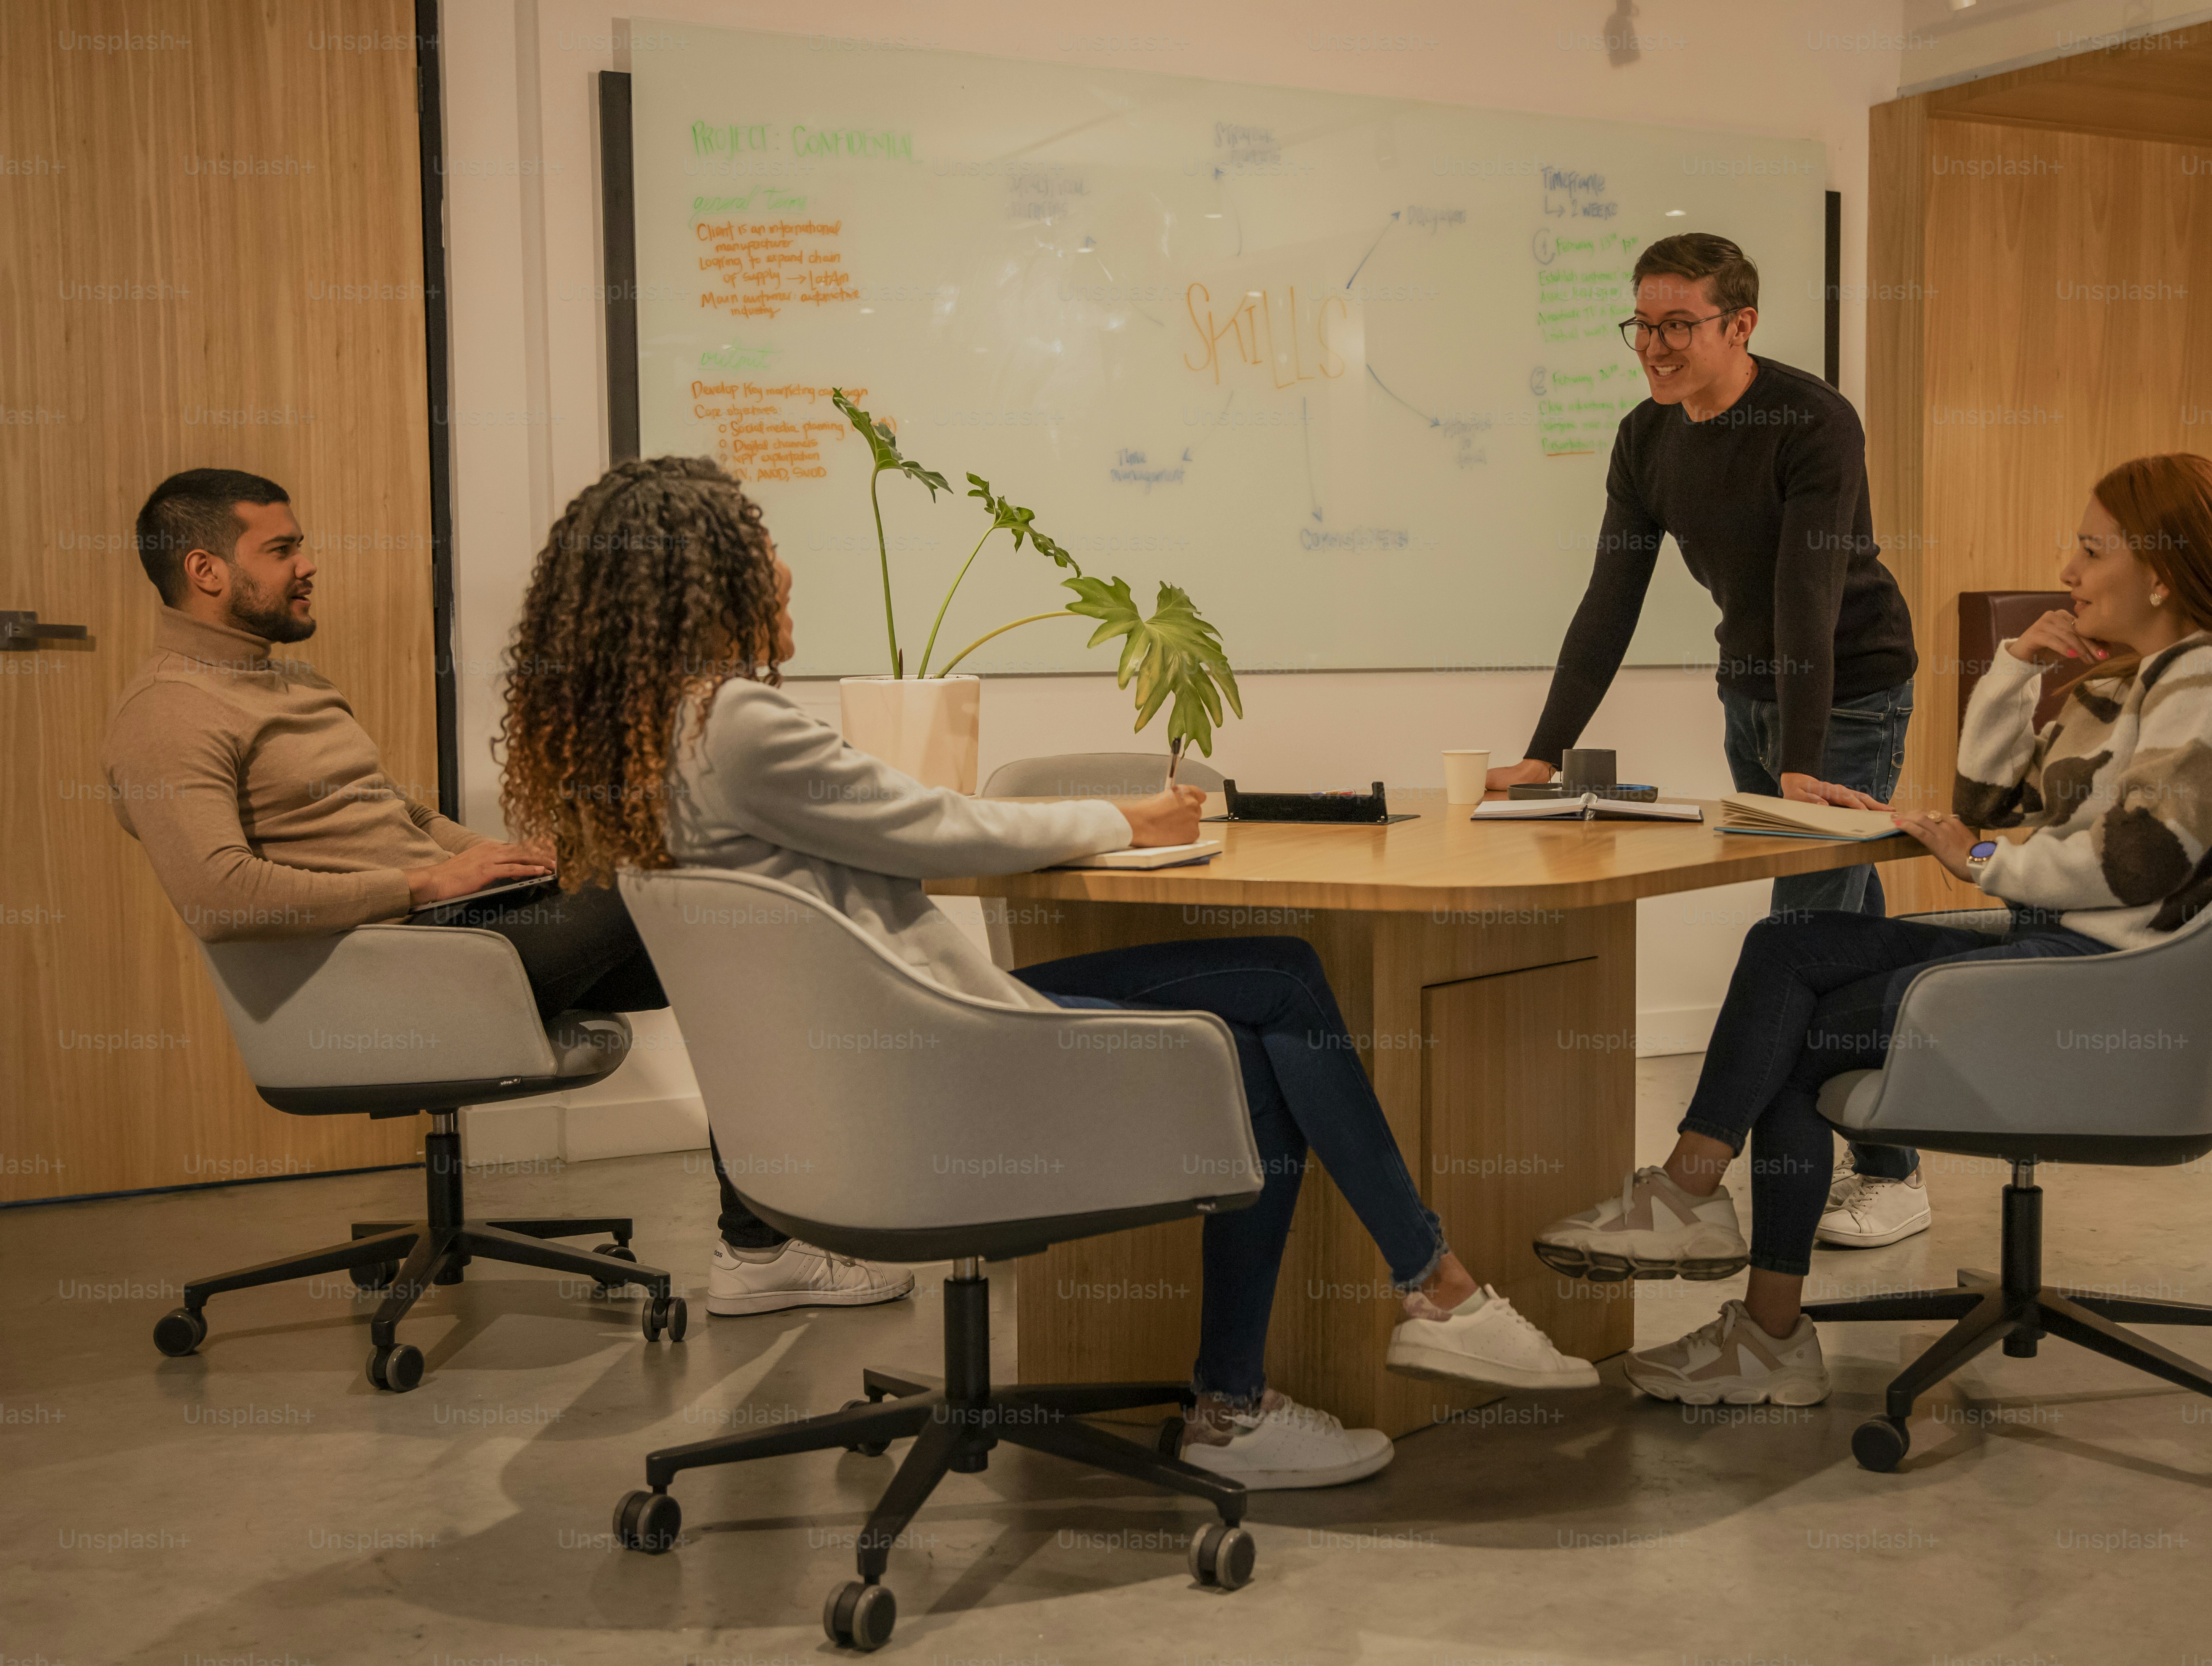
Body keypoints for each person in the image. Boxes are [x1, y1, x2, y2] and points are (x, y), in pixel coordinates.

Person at [495, 454, 1597, 1491]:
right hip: (942, 1077)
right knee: (1277, 989)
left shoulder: (641, 747)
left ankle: (1295, 1372)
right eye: (760, 544)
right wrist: (1130, 818)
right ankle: (1402, 1309)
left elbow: (898, 827)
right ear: (706, 579)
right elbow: (938, 825)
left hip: (853, 1100)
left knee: (1263, 1018)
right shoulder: (732, 724)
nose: (781, 564)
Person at [1533, 453, 2212, 1405]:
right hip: (2062, 949)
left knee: (1796, 1035)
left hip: (2113, 990)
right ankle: (1696, 1211)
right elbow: (1986, 802)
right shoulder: (2129, 685)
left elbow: (2133, 862)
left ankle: (1744, 1293)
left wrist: (1982, 861)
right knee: (1787, 947)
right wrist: (2011, 673)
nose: (2066, 572)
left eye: (2089, 550)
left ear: (2159, 570)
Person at [98, 467, 910, 1318]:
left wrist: (497, 857)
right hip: (382, 976)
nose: (308, 564)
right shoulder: (169, 713)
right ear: (206, 571)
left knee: (742, 947)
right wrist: (425, 880)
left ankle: (764, 1246)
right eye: (282, 549)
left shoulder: (288, 682)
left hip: (450, 935)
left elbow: (401, 815)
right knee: (689, 881)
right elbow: (220, 895)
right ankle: (766, 1247)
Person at [1489, 232, 1933, 1252]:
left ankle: (1706, 1180)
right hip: (1750, 695)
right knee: (1841, 922)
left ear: (1740, 325)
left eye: (1677, 326)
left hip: (1848, 691)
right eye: (1641, 325)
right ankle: (1893, 1167)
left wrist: (1802, 765)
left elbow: (1806, 597)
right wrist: (1544, 752)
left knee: (1797, 938)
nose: (1652, 346)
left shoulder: (1811, 421)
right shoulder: (1645, 437)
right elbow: (1609, 600)